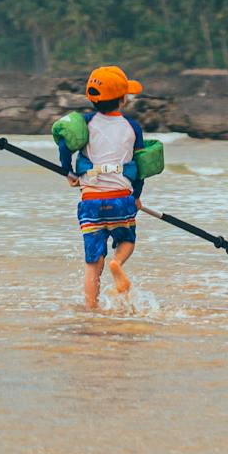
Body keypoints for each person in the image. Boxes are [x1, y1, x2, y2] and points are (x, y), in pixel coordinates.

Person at [52, 65, 147, 308]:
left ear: (91, 98)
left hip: (91, 200)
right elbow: (141, 167)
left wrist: (68, 172)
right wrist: (136, 196)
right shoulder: (132, 127)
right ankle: (117, 263)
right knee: (127, 241)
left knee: (92, 263)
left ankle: (91, 309)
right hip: (121, 198)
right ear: (123, 99)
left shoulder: (84, 123)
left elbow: (64, 145)